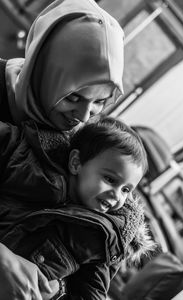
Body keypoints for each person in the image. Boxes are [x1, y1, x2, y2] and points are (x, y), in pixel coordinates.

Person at [0, 0, 125, 298]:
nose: (82, 116)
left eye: (99, 102)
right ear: (44, 69)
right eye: (73, 97)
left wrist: (54, 287)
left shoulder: (84, 141)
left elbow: (87, 241)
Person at [0, 116, 155, 300]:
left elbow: (91, 292)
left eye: (126, 190)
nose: (117, 195)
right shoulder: (33, 169)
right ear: (76, 163)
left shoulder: (103, 235)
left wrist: (56, 293)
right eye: (110, 180)